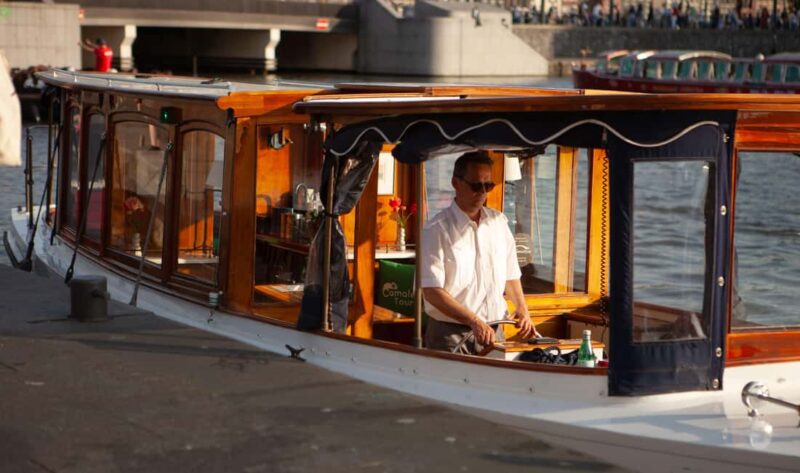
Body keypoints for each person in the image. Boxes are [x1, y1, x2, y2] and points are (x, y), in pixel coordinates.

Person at [420, 151, 539, 354]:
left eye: (488, 186)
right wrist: (474, 321)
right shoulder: (436, 229)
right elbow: (432, 291)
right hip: (450, 335)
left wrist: (523, 309)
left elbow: (510, 274)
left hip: (494, 331)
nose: (482, 192)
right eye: (476, 186)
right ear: (455, 183)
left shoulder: (498, 223)